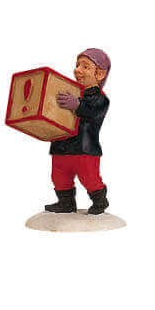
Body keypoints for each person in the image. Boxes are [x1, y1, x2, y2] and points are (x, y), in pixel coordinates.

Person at [46, 49, 111, 215]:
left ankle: (100, 201)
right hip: (61, 145)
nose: (77, 70)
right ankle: (65, 203)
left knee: (89, 178)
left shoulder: (100, 98)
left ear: (100, 74)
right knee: (59, 176)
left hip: (84, 148)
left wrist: (77, 105)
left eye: (85, 66)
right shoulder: (70, 91)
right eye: (77, 65)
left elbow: (93, 112)